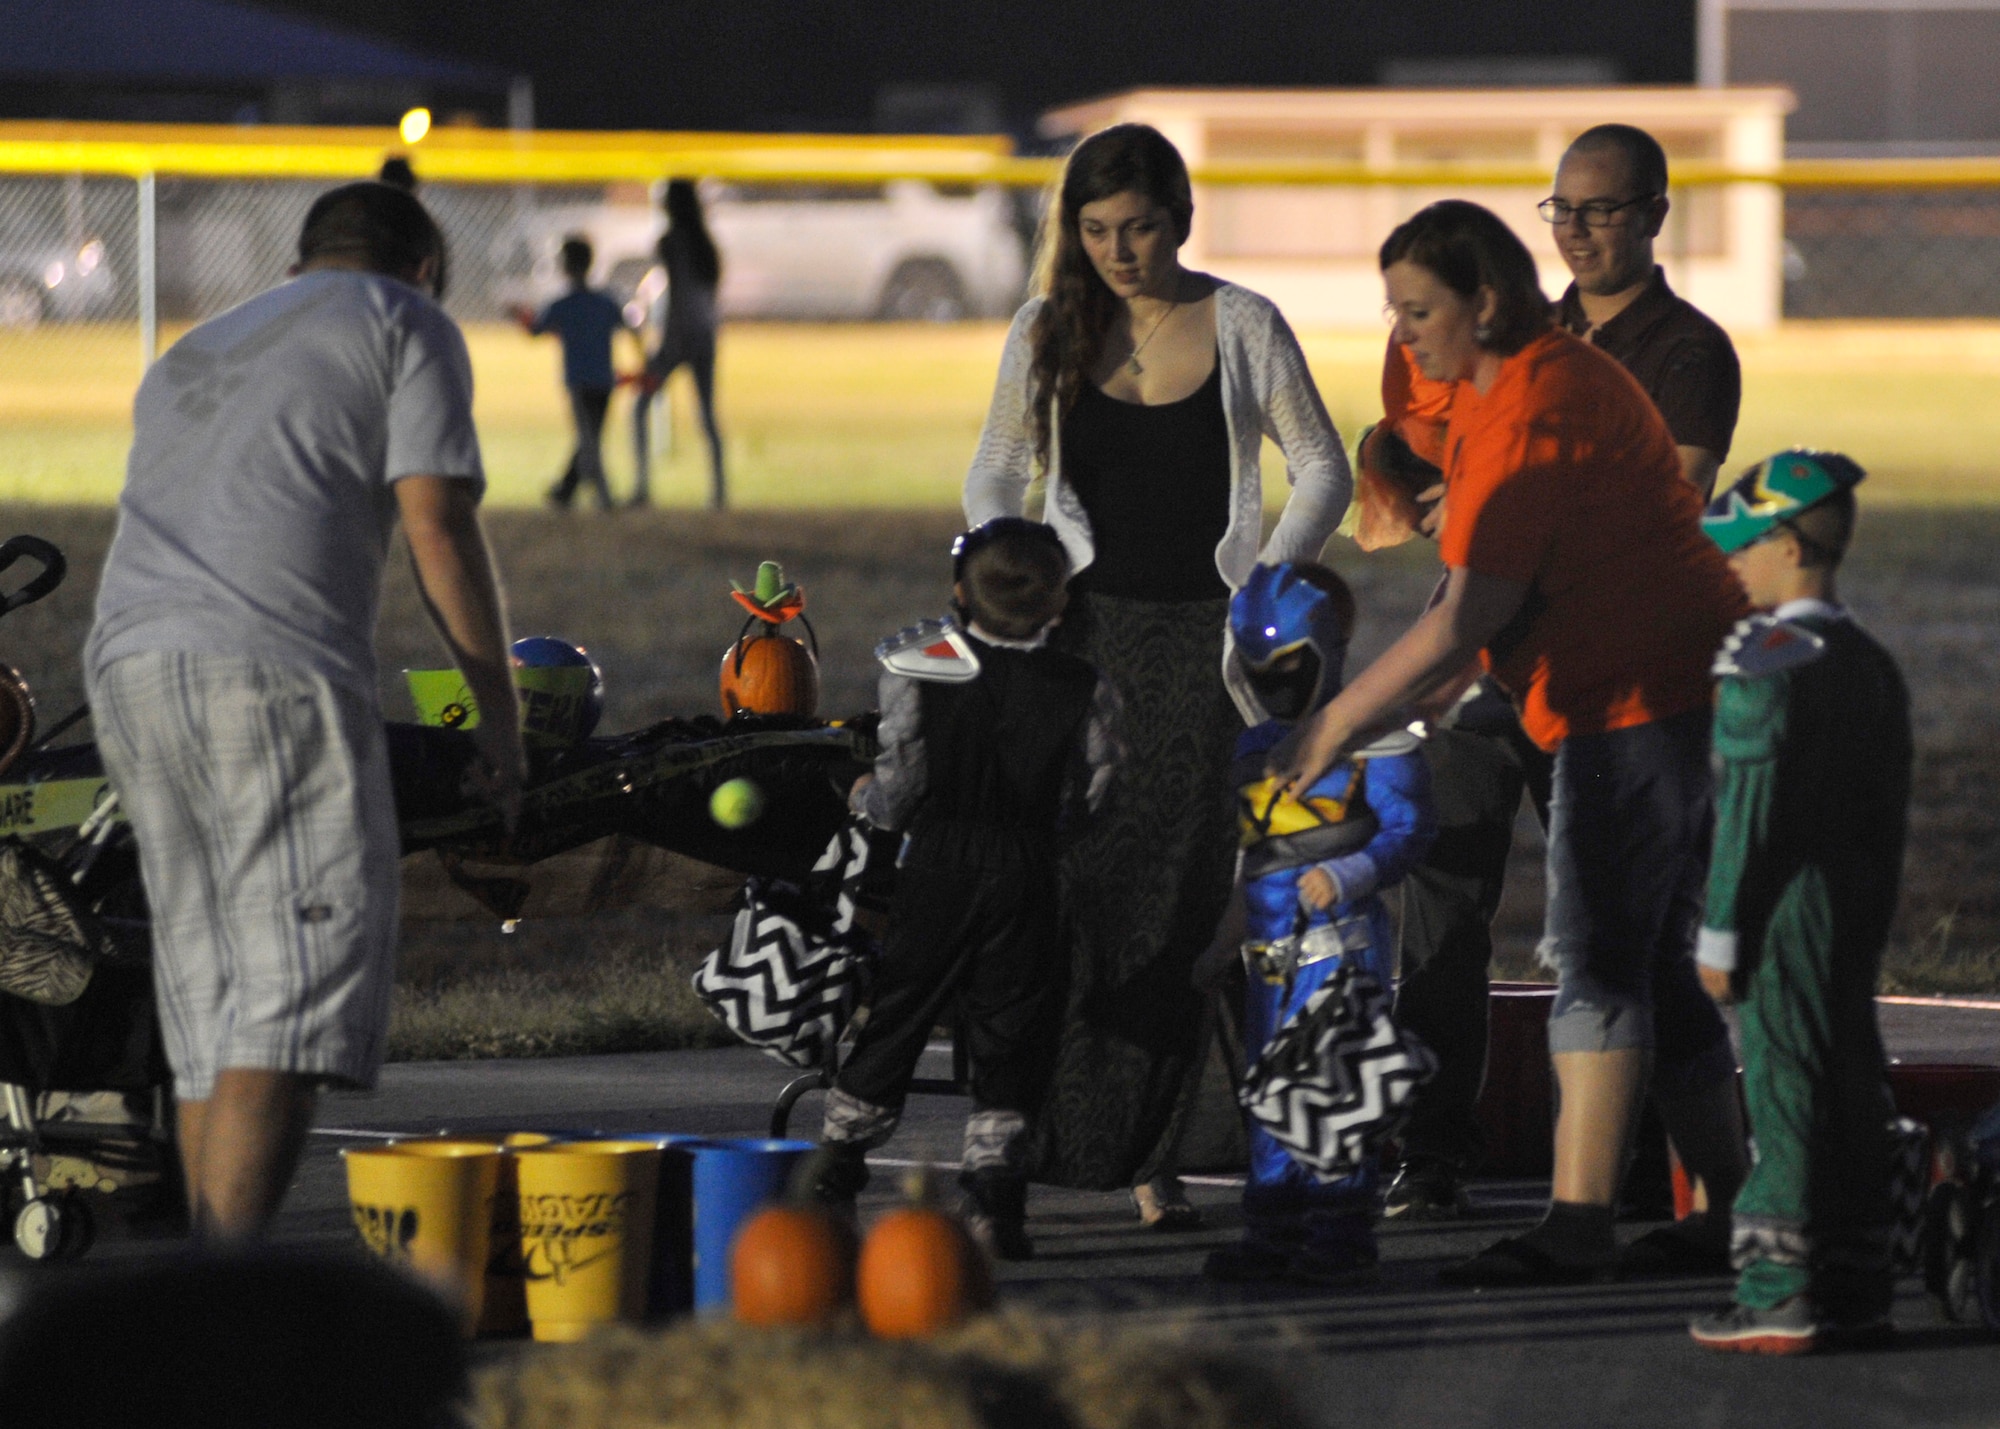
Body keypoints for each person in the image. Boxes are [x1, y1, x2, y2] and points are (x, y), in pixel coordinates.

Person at [1271, 198, 1751, 1287]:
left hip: (1629, 703)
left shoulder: (1531, 406)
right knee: (1660, 970)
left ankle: (1577, 1222)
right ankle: (1728, 1210)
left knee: (1594, 961)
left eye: (1418, 310)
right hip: (1653, 689)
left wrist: (1336, 721)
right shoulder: (1520, 387)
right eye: (1393, 311)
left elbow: (1465, 612)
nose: (1403, 334)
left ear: (1483, 301)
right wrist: (1422, 697)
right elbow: (1494, 609)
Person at [84, 181, 524, 1239]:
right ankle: (228, 1309)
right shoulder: (403, 320)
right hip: (266, 674)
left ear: (298, 267)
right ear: (425, 270)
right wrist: (499, 716)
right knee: (284, 1015)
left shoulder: (197, 346)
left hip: (131, 674)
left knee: (212, 1014)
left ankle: (204, 1313)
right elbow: (437, 522)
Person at [963, 123, 1351, 1222]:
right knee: (1074, 891)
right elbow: (996, 465)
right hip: (1079, 643)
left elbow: (1318, 464)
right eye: (1093, 231)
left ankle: (1152, 1153)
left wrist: (1269, 586)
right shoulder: (1045, 327)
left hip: (1203, 650)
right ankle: (1046, 1139)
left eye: (1136, 227)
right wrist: (1006, 565)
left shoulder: (1241, 322)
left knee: (1177, 906)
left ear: (1179, 218)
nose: (1118, 251)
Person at [1383, 124, 1746, 1233]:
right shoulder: (1508, 331)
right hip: (1493, 655)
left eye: (1600, 210)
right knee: (1438, 877)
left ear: (1652, 215)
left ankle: (1625, 1182)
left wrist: (1498, 515)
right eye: (1560, 210)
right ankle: (1432, 1142)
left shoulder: (1684, 349)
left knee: (1616, 931)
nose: (1577, 232)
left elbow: (1664, 503)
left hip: (1604, 670)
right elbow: (1421, 477)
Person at [810, 518, 1121, 1260]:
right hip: (1027, 867)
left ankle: (834, 1176)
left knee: (900, 1009)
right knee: (1013, 1027)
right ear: (1057, 605)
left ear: (959, 591)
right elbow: (1101, 784)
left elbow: (905, 778)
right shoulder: (1084, 684)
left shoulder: (922, 662)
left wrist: (867, 802)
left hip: (941, 861)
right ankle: (995, 1197)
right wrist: (1053, 831)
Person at [1688, 451, 1909, 1355]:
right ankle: (1858, 1279)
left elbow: (1748, 816)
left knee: (1782, 1088)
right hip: (1855, 909)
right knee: (1851, 1078)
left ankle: (1777, 1290)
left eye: (1746, 545)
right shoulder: (1870, 660)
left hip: (1783, 912)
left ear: (1787, 542)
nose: (1734, 562)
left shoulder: (1766, 658)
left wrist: (1720, 930)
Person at [1203, 562, 1435, 1286]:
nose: (1275, 685)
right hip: (1268, 958)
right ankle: (1274, 1226)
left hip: (1342, 949)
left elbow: (1408, 830)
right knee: (1271, 1088)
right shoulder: (1250, 752)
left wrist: (1349, 873)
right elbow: (1245, 860)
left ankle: (1339, 1229)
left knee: (1334, 1090)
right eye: (1260, 670)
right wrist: (1218, 940)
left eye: (1287, 668)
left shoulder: (1380, 745)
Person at [521, 235, 638, 511]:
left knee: (589, 440)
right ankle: (566, 491)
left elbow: (536, 329)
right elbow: (627, 324)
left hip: (578, 381)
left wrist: (520, 316)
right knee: (590, 437)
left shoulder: (563, 303)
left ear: (565, 266)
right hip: (603, 379)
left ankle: (603, 497)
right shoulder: (604, 300)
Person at [632, 179, 726, 510]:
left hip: (680, 337)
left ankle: (642, 486)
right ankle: (719, 492)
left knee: (641, 404)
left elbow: (675, 298)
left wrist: (667, 342)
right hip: (706, 334)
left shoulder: (671, 242)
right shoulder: (706, 244)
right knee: (707, 414)